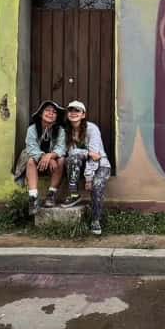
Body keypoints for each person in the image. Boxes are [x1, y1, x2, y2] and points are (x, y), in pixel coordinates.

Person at [61, 100, 111, 236]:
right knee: (72, 157)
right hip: (83, 164)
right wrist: (86, 153)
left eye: (77, 110)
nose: (73, 113)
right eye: (71, 110)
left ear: (83, 114)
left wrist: (88, 178)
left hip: (101, 164)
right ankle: (74, 194)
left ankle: (96, 219)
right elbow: (72, 154)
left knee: (96, 185)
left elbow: (95, 156)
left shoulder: (91, 129)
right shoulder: (66, 131)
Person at [22, 100, 66, 213]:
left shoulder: (60, 131)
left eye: (54, 112)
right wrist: (43, 157)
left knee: (61, 160)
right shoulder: (32, 129)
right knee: (31, 160)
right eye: (47, 110)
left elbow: (61, 148)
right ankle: (33, 197)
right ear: (41, 114)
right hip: (35, 161)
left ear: (57, 117)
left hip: (54, 163)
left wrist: (50, 156)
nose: (51, 113)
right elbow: (31, 148)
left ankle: (51, 194)